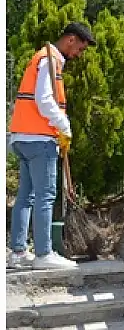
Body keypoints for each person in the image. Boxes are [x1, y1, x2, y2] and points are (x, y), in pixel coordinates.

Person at [8, 22, 96, 270]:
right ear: (70, 39)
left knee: (26, 196)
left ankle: (18, 252)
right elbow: (44, 99)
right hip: (40, 139)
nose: (79, 53)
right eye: (80, 48)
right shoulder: (50, 59)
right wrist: (64, 125)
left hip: (22, 137)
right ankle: (44, 254)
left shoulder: (40, 58)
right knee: (45, 196)